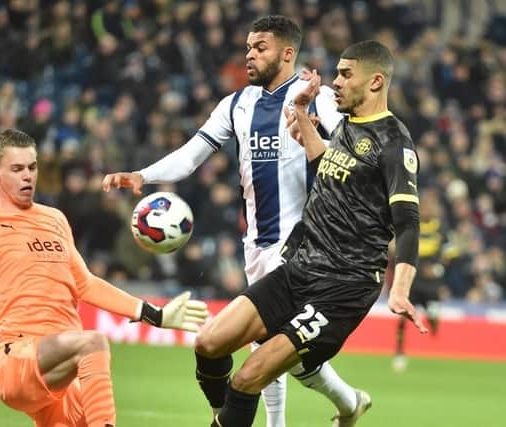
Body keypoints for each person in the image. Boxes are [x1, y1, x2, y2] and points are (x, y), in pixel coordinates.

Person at [102, 15, 361, 427]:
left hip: (305, 242)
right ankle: (349, 403)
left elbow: (350, 156)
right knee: (273, 347)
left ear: (287, 53)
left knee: (269, 343)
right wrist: (142, 175)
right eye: (247, 48)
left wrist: (316, 134)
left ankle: (287, 420)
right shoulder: (238, 104)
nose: (250, 55)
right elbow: (191, 155)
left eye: (260, 47)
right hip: (257, 242)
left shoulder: (320, 98)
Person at [193, 40, 429, 427]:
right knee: (208, 343)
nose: (334, 82)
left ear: (376, 82)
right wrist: (300, 111)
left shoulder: (394, 144)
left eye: (345, 74)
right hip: (300, 267)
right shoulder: (350, 125)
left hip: (343, 286)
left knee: (250, 376)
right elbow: (328, 167)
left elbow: (407, 222)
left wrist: (400, 289)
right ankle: (227, 418)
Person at [0, 128, 208, 427]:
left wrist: (155, 315)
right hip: (17, 358)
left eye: (32, 167)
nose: (27, 176)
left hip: (62, 375)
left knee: (83, 407)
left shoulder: (54, 219)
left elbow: (85, 283)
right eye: (16, 169)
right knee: (92, 342)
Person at [393, 188, 447, 372]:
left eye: (430, 206)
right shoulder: (412, 224)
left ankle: (434, 329)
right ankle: (399, 354)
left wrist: (438, 268)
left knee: (432, 315)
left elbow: (448, 251)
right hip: (412, 281)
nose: (426, 210)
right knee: (402, 317)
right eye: (423, 206)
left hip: (431, 283)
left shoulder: (440, 227)